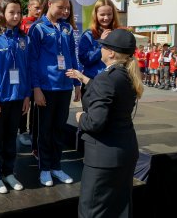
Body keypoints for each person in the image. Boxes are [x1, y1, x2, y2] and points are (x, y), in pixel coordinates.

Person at [66, 28, 143, 218]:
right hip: (125, 152)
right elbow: (110, 92)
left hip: (103, 158)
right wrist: (84, 79)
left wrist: (80, 117)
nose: (99, 50)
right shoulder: (126, 75)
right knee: (119, 209)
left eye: (102, 46)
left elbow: (95, 122)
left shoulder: (106, 79)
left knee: (92, 211)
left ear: (111, 53)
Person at [28, 0, 81, 187]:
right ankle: (44, 168)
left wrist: (76, 83)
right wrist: (36, 88)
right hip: (46, 88)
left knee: (59, 129)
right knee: (45, 130)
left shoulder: (67, 28)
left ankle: (56, 166)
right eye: (60, 7)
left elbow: (72, 56)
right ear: (49, 4)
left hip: (64, 87)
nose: (64, 11)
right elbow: (32, 60)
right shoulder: (37, 28)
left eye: (67, 8)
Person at [0, 0, 31, 193]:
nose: (15, 15)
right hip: (0, 99)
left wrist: (27, 95)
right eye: (11, 12)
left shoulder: (24, 39)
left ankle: (8, 172)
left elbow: (28, 69)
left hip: (18, 97)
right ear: (2, 14)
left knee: (11, 138)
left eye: (19, 12)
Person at [78, 0, 120, 93]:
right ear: (96, 15)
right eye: (102, 14)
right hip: (92, 83)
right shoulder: (88, 35)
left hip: (114, 82)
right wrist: (101, 42)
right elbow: (85, 60)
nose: (106, 18)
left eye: (109, 14)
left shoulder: (118, 33)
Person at [18, 0, 42, 147]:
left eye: (41, 8)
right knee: (24, 101)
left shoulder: (42, 25)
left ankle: (34, 131)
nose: (39, 11)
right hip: (23, 70)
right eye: (36, 8)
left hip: (37, 70)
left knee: (36, 104)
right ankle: (22, 131)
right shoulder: (23, 24)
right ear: (29, 7)